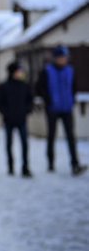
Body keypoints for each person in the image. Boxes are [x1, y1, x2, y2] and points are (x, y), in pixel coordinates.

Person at [36, 45, 87, 176]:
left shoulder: (70, 71)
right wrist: (48, 100)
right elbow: (39, 88)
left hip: (66, 108)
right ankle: (51, 163)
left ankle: (75, 164)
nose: (64, 59)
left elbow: (74, 87)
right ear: (56, 58)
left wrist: (71, 100)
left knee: (71, 136)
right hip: (52, 109)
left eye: (65, 57)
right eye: (61, 57)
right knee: (51, 136)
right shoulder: (47, 71)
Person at [0, 61, 33, 177]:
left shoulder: (25, 86)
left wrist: (26, 110)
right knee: (9, 144)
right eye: (19, 71)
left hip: (22, 119)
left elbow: (30, 100)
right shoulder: (3, 87)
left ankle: (25, 167)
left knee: (24, 144)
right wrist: (6, 113)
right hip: (8, 120)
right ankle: (10, 166)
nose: (21, 73)